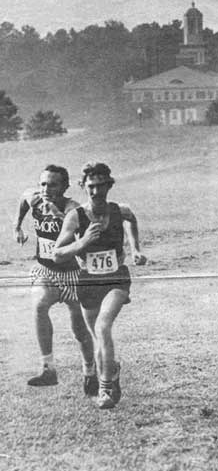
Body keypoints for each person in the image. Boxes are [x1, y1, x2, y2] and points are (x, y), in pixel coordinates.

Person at [53, 162, 147, 409]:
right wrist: (82, 242)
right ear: (83, 186)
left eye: (101, 186)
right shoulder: (76, 216)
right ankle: (112, 369)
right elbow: (57, 254)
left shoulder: (120, 210)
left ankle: (105, 388)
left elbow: (131, 219)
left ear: (109, 186)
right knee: (98, 337)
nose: (96, 192)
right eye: (91, 187)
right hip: (88, 281)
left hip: (116, 277)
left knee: (103, 327)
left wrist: (135, 249)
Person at [13, 165, 97, 394]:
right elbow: (24, 198)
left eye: (53, 185)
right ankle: (48, 369)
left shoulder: (73, 209)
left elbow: (85, 241)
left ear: (65, 187)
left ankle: (90, 372)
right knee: (40, 305)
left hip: (73, 273)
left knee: (79, 328)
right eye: (43, 184)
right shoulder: (35, 199)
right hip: (46, 270)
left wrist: (62, 218)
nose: (46, 189)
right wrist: (17, 226)